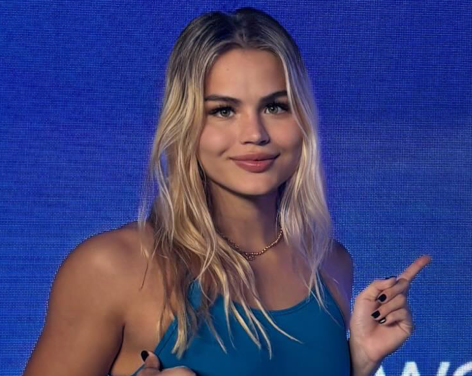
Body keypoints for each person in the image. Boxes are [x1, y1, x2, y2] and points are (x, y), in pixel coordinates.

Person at [22, 7, 431, 376]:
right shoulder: (111, 268)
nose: (254, 134)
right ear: (185, 124)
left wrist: (357, 363)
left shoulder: (330, 262)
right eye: (222, 110)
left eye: (276, 106)